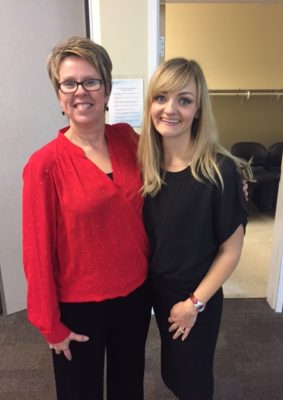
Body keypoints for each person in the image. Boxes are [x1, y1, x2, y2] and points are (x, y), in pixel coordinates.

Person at [22, 36, 151, 400]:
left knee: (129, 388)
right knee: (80, 392)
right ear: (59, 94)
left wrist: (228, 176)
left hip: (135, 295)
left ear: (106, 89)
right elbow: (37, 251)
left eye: (91, 81)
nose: (81, 91)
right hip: (78, 306)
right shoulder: (44, 164)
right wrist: (50, 325)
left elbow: (179, 163)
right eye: (69, 83)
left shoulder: (128, 139)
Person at [138, 58, 253, 400]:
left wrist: (194, 304)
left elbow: (231, 251)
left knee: (193, 380)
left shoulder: (219, 171)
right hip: (156, 290)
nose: (169, 109)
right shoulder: (144, 163)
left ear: (198, 109)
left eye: (184, 100)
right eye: (161, 98)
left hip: (196, 295)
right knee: (172, 372)